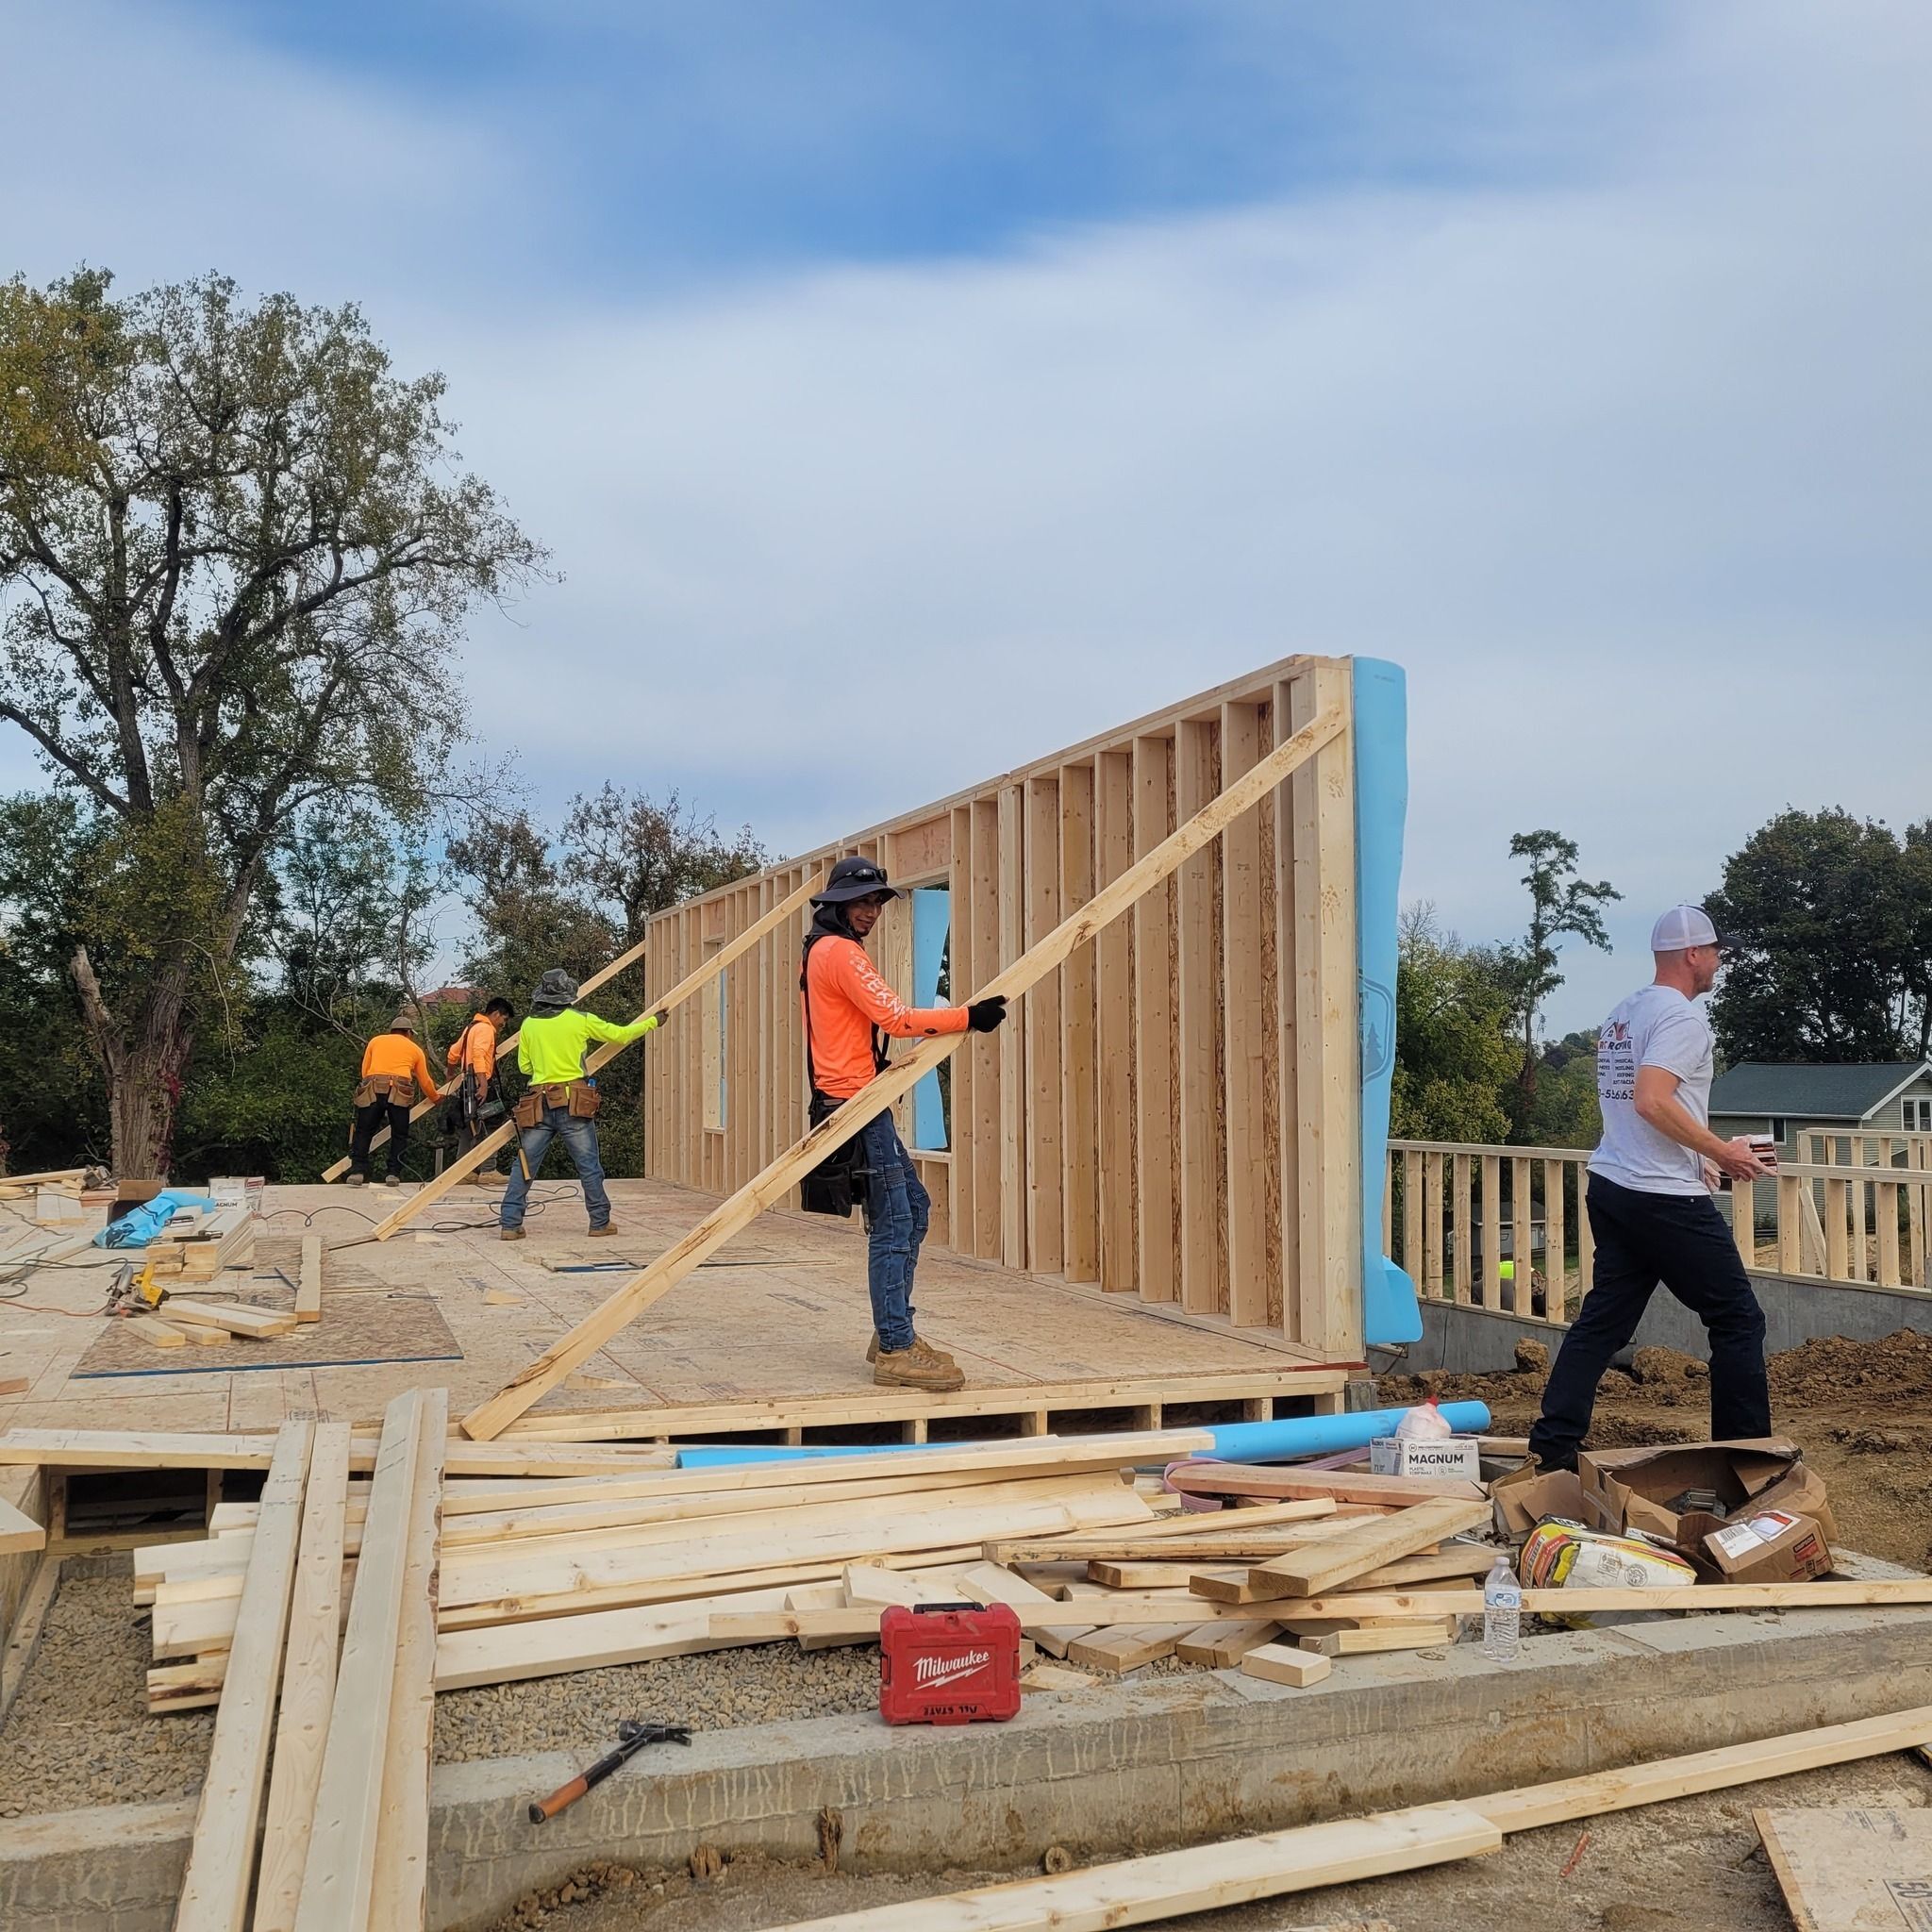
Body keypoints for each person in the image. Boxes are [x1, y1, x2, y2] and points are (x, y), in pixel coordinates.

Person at [1527, 905, 1777, 1471]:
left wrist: (1698, 1158)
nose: (1719, 961)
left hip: (1614, 1183)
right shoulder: (1684, 1020)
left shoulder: (1626, 1012)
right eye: (1715, 951)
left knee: (1604, 1320)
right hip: (1660, 1197)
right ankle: (1746, 1457)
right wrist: (1724, 1151)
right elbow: (1651, 1099)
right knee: (1738, 1319)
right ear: (1693, 955)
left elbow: (1644, 1108)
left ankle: (1553, 1446)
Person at [801, 856, 1008, 1391]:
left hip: (860, 1092)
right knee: (894, 1221)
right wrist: (969, 1016)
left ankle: (890, 1329)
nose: (871, 911)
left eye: (876, 902)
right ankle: (895, 1345)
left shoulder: (824, 950)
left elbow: (846, 1031)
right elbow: (895, 1018)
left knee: (913, 1206)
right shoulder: (840, 954)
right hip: (857, 1104)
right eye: (863, 901)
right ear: (838, 904)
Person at [501, 970, 667, 1241]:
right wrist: (653, 1022)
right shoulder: (580, 1020)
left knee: (525, 1165)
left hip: (539, 1102)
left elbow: (525, 1066)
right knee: (588, 1165)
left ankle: (510, 1224)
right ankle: (599, 1222)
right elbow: (622, 1035)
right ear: (567, 996)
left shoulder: (529, 1025)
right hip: (573, 1102)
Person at [346, 1011, 445, 1186]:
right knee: (399, 1133)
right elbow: (425, 1080)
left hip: (373, 1086)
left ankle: (358, 1171)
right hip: (400, 1090)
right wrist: (435, 1097)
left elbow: (365, 1071)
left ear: (392, 1031)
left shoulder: (375, 1041)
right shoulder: (415, 1049)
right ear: (408, 1033)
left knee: (364, 1131)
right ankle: (393, 1174)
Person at [446, 997, 515, 1182]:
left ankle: (462, 1171)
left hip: (467, 1083)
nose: (503, 1023)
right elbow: (478, 1054)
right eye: (504, 1019)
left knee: (469, 1126)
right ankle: (488, 1170)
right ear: (495, 1014)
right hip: (480, 1082)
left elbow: (453, 1052)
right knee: (492, 1124)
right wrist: (483, 1084)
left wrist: (450, 1073)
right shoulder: (485, 1029)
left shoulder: (471, 1028)